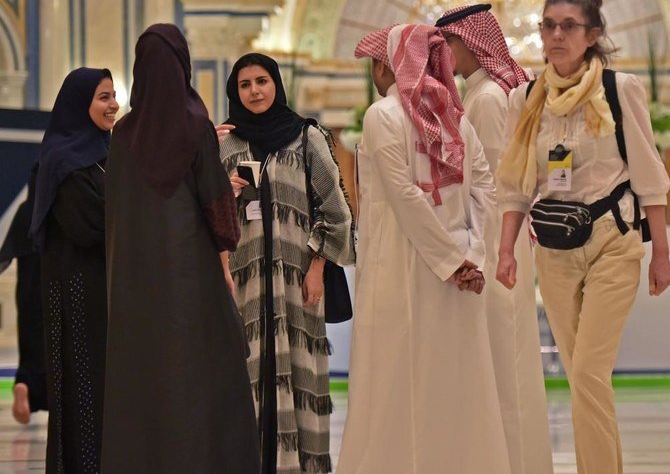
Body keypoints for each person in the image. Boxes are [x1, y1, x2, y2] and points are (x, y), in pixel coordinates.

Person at [496, 0, 670, 474]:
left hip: (613, 242)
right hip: (553, 249)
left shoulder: (620, 89)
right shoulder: (525, 98)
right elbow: (515, 184)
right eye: (548, 25)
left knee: (590, 371)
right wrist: (506, 250)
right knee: (582, 378)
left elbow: (651, 177)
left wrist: (662, 254)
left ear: (592, 35)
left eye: (568, 25)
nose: (556, 34)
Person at [337, 23, 510, 474]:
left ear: (389, 65)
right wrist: (471, 256)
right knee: (456, 384)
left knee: (398, 380)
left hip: (404, 274)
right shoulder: (457, 118)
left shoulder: (383, 116)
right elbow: (486, 193)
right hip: (462, 276)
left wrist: (452, 264)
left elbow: (405, 197)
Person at [102, 24, 259, 474]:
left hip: (132, 281)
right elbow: (216, 206)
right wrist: (226, 246)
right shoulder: (194, 122)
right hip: (190, 277)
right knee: (202, 374)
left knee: (144, 376)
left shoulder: (124, 132)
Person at [218, 52, 355, 473]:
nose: (255, 91)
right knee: (246, 376)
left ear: (275, 83)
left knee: (300, 374)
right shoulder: (224, 143)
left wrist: (317, 267)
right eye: (245, 85)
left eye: (261, 81)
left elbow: (336, 210)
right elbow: (200, 216)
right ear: (234, 92)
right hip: (243, 285)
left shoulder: (306, 136)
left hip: (298, 284)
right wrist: (225, 190)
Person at [436, 4, 553, 474]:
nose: (444, 54)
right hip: (503, 237)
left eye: (449, 44)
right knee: (509, 353)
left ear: (469, 43)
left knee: (501, 353)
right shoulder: (485, 90)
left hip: (493, 237)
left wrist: (475, 250)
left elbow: (488, 184)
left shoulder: (484, 97)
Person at [29, 67, 118, 473]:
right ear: (78, 104)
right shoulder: (63, 161)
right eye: (103, 97)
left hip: (109, 294)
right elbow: (91, 226)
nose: (113, 104)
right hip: (79, 298)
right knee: (85, 394)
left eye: (114, 95)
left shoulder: (106, 153)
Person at [0, 167, 48, 425]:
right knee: (51, 344)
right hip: (51, 286)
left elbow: (5, 258)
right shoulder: (52, 211)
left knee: (29, 341)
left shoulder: (25, 212)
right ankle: (48, 395)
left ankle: (24, 382)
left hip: (27, 293)